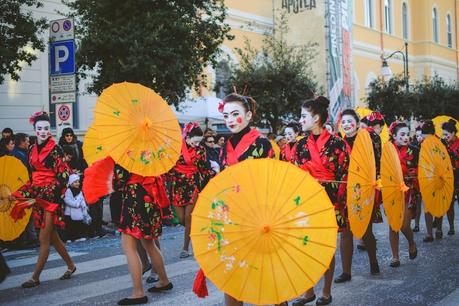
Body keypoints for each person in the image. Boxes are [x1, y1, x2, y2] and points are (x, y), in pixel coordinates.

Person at [216, 93, 274, 306]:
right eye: (226, 115)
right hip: (231, 216)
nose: (229, 120)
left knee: (265, 275)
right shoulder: (225, 146)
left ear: (249, 115)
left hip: (258, 215)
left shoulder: (262, 144)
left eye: (235, 114)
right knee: (232, 274)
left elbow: (271, 182)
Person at [292, 96, 349, 306]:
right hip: (305, 202)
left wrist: (338, 199)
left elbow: (345, 175)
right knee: (304, 248)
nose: (300, 120)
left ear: (316, 118)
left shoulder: (337, 144)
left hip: (330, 202)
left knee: (325, 249)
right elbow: (294, 174)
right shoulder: (300, 146)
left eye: (303, 116)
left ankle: (326, 290)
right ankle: (308, 291)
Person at [10, 112, 76, 288]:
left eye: (46, 128)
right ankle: (71, 265)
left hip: (51, 199)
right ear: (34, 130)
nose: (43, 131)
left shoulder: (56, 149)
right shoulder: (31, 149)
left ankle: (35, 277)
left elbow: (63, 176)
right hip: (38, 196)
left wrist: (49, 192)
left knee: (43, 238)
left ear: (50, 129)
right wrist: (17, 193)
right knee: (52, 237)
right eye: (39, 129)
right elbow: (32, 178)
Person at [111, 165, 172, 305]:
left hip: (135, 196)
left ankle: (138, 292)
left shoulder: (128, 149)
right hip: (151, 195)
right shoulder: (151, 146)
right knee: (149, 242)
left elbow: (119, 178)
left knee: (128, 246)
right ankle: (164, 280)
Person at [334, 109, 381, 285]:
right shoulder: (338, 143)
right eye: (343, 122)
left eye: (349, 121)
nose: (346, 125)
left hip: (364, 190)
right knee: (345, 232)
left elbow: (376, 162)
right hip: (345, 191)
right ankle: (346, 271)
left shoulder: (369, 139)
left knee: (365, 231)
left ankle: (373, 260)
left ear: (356, 122)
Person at [167, 122, 215, 258]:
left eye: (199, 142)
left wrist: (214, 175)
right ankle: (196, 235)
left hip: (193, 186)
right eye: (195, 141)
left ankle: (185, 248)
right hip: (177, 187)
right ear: (187, 137)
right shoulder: (175, 148)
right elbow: (168, 167)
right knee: (181, 219)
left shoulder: (201, 150)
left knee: (189, 218)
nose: (197, 144)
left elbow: (204, 169)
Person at [388, 121, 418, 268]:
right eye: (402, 134)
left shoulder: (414, 150)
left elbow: (419, 169)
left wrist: (411, 175)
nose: (406, 137)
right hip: (392, 192)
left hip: (408, 191)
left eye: (407, 134)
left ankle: (411, 242)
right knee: (393, 224)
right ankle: (395, 257)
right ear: (394, 136)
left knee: (404, 225)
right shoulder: (387, 151)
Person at [436, 119, 459, 236]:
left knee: (451, 204)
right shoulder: (441, 145)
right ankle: (439, 229)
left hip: (457, 176)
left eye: (446, 134)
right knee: (441, 202)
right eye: (443, 134)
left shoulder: (458, 144)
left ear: (453, 133)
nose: (444, 136)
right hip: (443, 176)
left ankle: (451, 227)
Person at [63, 174, 89, 242]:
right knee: (70, 225)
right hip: (69, 212)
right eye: (75, 182)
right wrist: (76, 204)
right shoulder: (68, 191)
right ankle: (69, 237)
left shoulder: (79, 191)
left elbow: (82, 198)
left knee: (77, 224)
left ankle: (77, 237)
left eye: (78, 182)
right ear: (71, 183)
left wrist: (83, 205)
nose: (77, 183)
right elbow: (67, 200)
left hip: (77, 212)